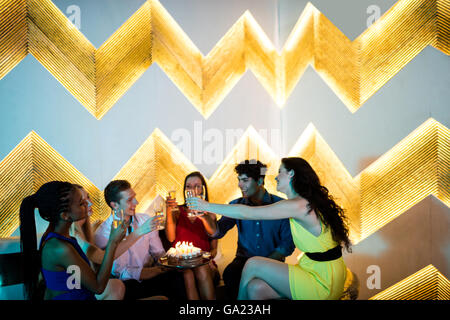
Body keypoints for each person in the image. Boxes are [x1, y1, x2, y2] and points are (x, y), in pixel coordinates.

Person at [187, 157, 352, 300]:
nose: (275, 177)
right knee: (255, 288)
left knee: (253, 264)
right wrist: (205, 214)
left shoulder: (298, 205)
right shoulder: (302, 203)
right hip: (315, 269)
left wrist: (206, 205)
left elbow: (247, 213)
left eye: (280, 172)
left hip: (323, 280)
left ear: (291, 174)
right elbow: (220, 229)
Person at [197, 160, 295, 299]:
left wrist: (261, 264)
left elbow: (287, 245)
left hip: (272, 262)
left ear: (260, 181)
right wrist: (205, 218)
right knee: (230, 274)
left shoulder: (280, 205)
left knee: (259, 284)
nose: (239, 185)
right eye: (239, 180)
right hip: (243, 260)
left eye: (245, 180)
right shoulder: (236, 205)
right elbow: (218, 232)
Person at [19, 181, 127, 300]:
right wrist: (113, 242)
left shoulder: (61, 238)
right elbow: (98, 287)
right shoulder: (59, 247)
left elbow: (75, 280)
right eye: (81, 203)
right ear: (65, 215)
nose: (88, 203)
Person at [94, 180, 187, 300]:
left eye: (134, 197)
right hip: (129, 284)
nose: (136, 202)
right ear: (114, 205)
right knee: (132, 285)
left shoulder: (145, 220)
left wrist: (171, 263)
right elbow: (121, 273)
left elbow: (158, 253)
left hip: (152, 275)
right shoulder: (102, 234)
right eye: (129, 200)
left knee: (176, 277)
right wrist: (155, 271)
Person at [71, 185, 161, 300]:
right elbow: (102, 258)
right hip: (80, 291)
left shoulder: (87, 231)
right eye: (82, 201)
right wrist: (140, 231)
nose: (90, 203)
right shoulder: (75, 235)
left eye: (88, 197)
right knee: (117, 286)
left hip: (100, 286)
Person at [165, 171, 220, 300]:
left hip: (204, 263)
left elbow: (214, 248)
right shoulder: (177, 211)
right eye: (188, 186)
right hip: (181, 263)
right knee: (188, 274)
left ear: (203, 189)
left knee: (201, 269)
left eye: (197, 186)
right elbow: (171, 238)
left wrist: (209, 260)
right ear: (184, 190)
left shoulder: (210, 213)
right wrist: (168, 211)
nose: (193, 190)